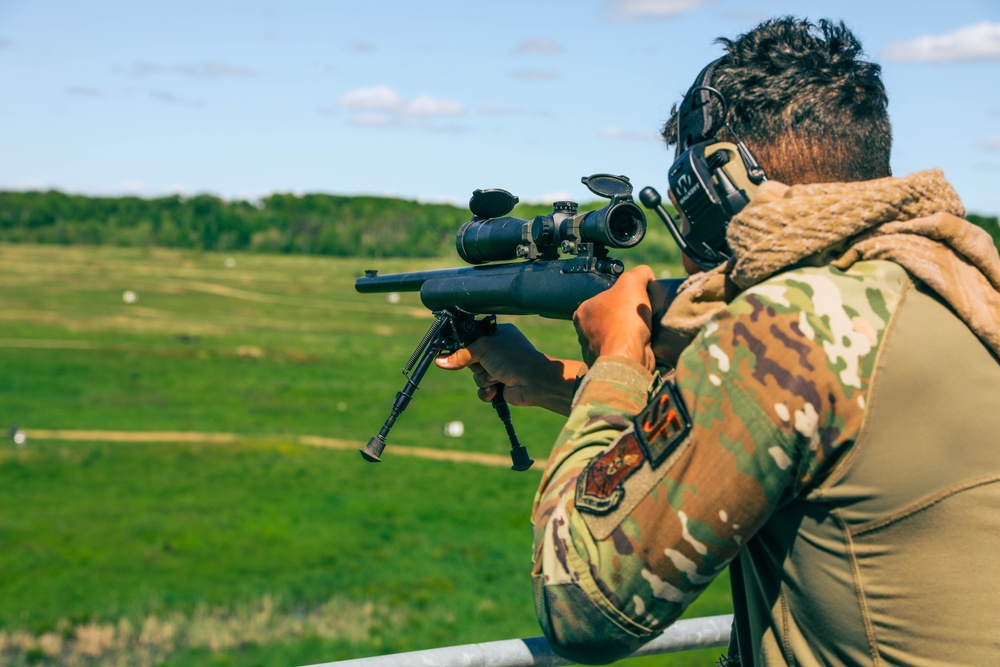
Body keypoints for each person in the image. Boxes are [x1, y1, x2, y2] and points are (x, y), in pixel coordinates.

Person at [437, 17, 1000, 666]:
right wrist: (551, 379)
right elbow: (765, 428)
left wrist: (617, 356)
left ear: (716, 187)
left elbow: (581, 601)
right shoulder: (954, 286)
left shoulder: (790, 325)